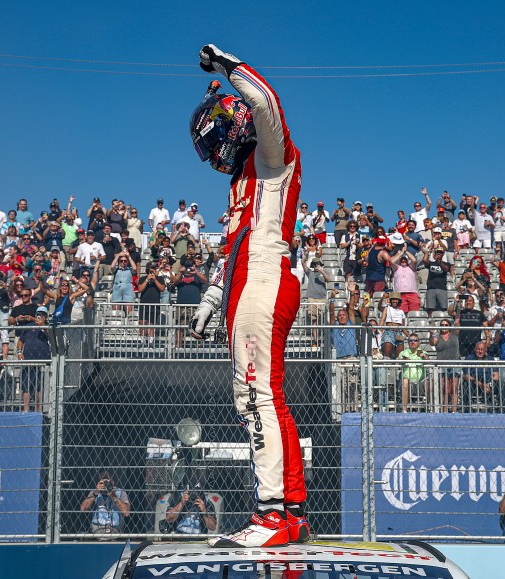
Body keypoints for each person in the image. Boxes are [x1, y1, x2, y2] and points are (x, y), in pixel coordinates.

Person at [188, 45, 308, 547]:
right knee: (268, 397)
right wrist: (214, 298)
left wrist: (227, 65)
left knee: (255, 396)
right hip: (248, 284)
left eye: (214, 135)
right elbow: (235, 246)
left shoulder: (271, 156)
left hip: (264, 282)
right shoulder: (243, 180)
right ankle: (293, 513)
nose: (213, 150)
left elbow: (267, 104)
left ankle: (271, 516)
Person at [16, 307, 50, 412]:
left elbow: (52, 338)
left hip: (42, 361)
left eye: (42, 315)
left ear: (46, 316)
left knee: (39, 387)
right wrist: (19, 352)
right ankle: (26, 409)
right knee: (26, 385)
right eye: (38, 314)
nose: (40, 316)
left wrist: (43, 326)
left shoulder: (49, 327)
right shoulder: (28, 326)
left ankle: (38, 410)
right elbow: (20, 341)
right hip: (28, 360)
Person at [397, 333, 428, 412]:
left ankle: (430, 407)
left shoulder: (422, 352)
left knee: (429, 381)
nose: (413, 342)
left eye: (415, 340)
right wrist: (404, 360)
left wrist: (425, 357)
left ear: (419, 342)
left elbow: (429, 361)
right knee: (405, 381)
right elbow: (399, 360)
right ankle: (404, 409)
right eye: (411, 340)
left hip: (421, 382)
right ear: (408, 342)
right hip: (408, 381)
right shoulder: (404, 353)